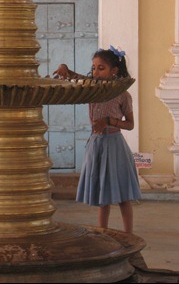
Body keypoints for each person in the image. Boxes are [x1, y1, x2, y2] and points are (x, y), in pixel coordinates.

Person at [53, 46, 141, 234]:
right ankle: (103, 232)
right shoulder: (92, 88)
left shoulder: (122, 95)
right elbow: (75, 77)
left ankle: (129, 234)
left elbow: (131, 124)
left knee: (123, 195)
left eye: (101, 68)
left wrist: (109, 121)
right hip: (97, 145)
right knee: (103, 194)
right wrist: (64, 68)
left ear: (114, 71)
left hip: (115, 146)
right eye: (94, 68)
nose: (95, 72)